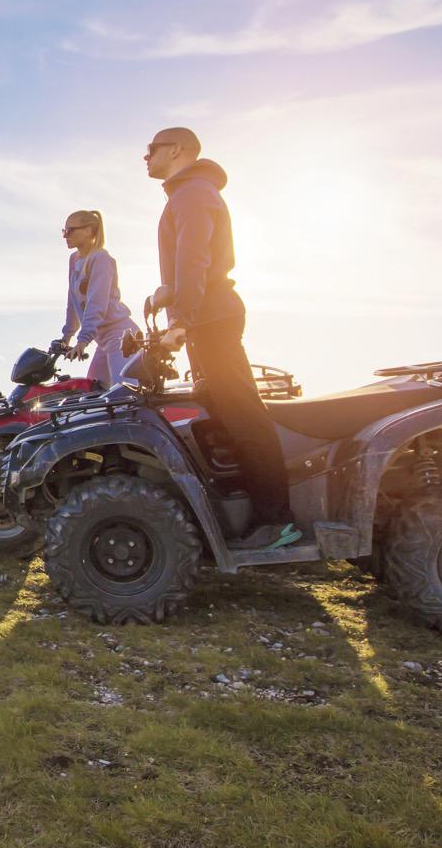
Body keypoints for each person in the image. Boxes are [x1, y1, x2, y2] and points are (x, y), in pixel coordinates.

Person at [143, 127, 304, 551]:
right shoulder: (188, 193)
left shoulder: (192, 193)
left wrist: (181, 319)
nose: (145, 157)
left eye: (151, 149)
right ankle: (239, 513)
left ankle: (279, 522)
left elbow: (196, 260)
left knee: (245, 417)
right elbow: (189, 266)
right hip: (205, 317)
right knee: (222, 416)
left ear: (176, 150)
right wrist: (168, 294)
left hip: (210, 318)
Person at [59, 209, 139, 386]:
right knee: (93, 392)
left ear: (88, 231)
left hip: (121, 338)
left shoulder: (101, 258)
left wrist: (83, 340)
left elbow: (97, 303)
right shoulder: (74, 259)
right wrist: (66, 338)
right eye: (64, 231)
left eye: (70, 230)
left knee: (126, 394)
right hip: (102, 340)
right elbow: (72, 303)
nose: (66, 236)